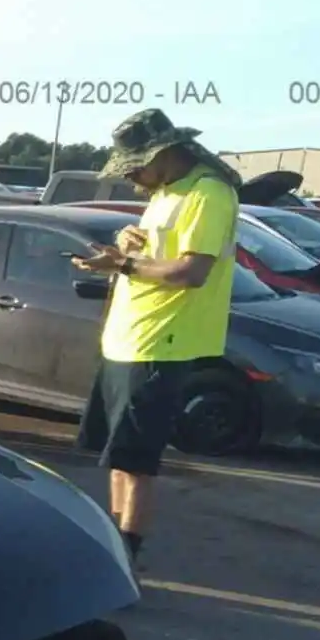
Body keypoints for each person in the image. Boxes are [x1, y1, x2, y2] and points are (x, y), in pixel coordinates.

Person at [71, 109, 241, 570]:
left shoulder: (209, 193)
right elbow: (161, 255)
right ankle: (112, 542)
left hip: (161, 343)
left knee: (139, 462)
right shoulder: (167, 191)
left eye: (134, 166)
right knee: (119, 456)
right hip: (127, 338)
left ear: (163, 154)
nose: (130, 176)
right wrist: (129, 246)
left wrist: (122, 265)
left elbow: (191, 272)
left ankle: (126, 556)